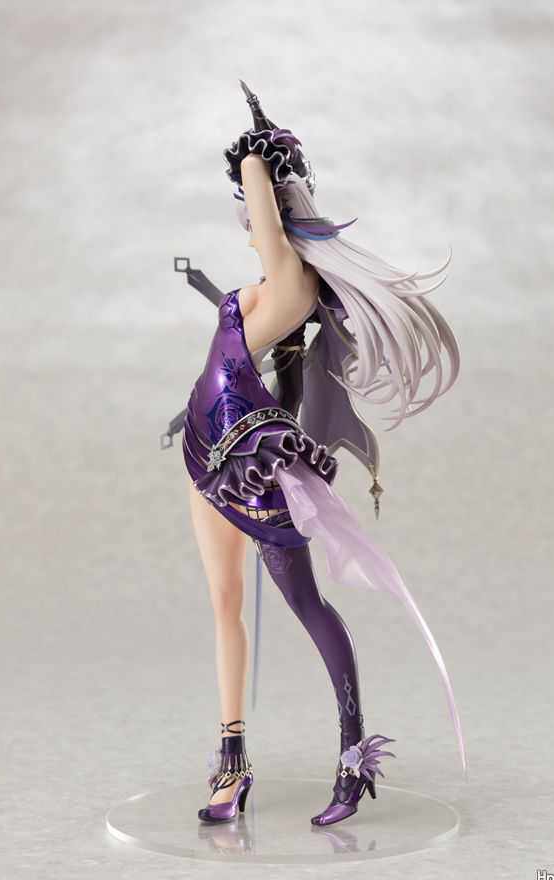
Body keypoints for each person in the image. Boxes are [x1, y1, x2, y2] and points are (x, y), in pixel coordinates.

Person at [179, 80, 468, 827]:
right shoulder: (278, 284)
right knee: (224, 604)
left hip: (247, 468)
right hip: (212, 452)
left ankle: (352, 756)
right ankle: (233, 762)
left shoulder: (290, 281)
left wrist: (256, 152)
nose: (249, 234)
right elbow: (281, 377)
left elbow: (261, 193)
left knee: (305, 604)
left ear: (273, 214)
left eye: (253, 219)